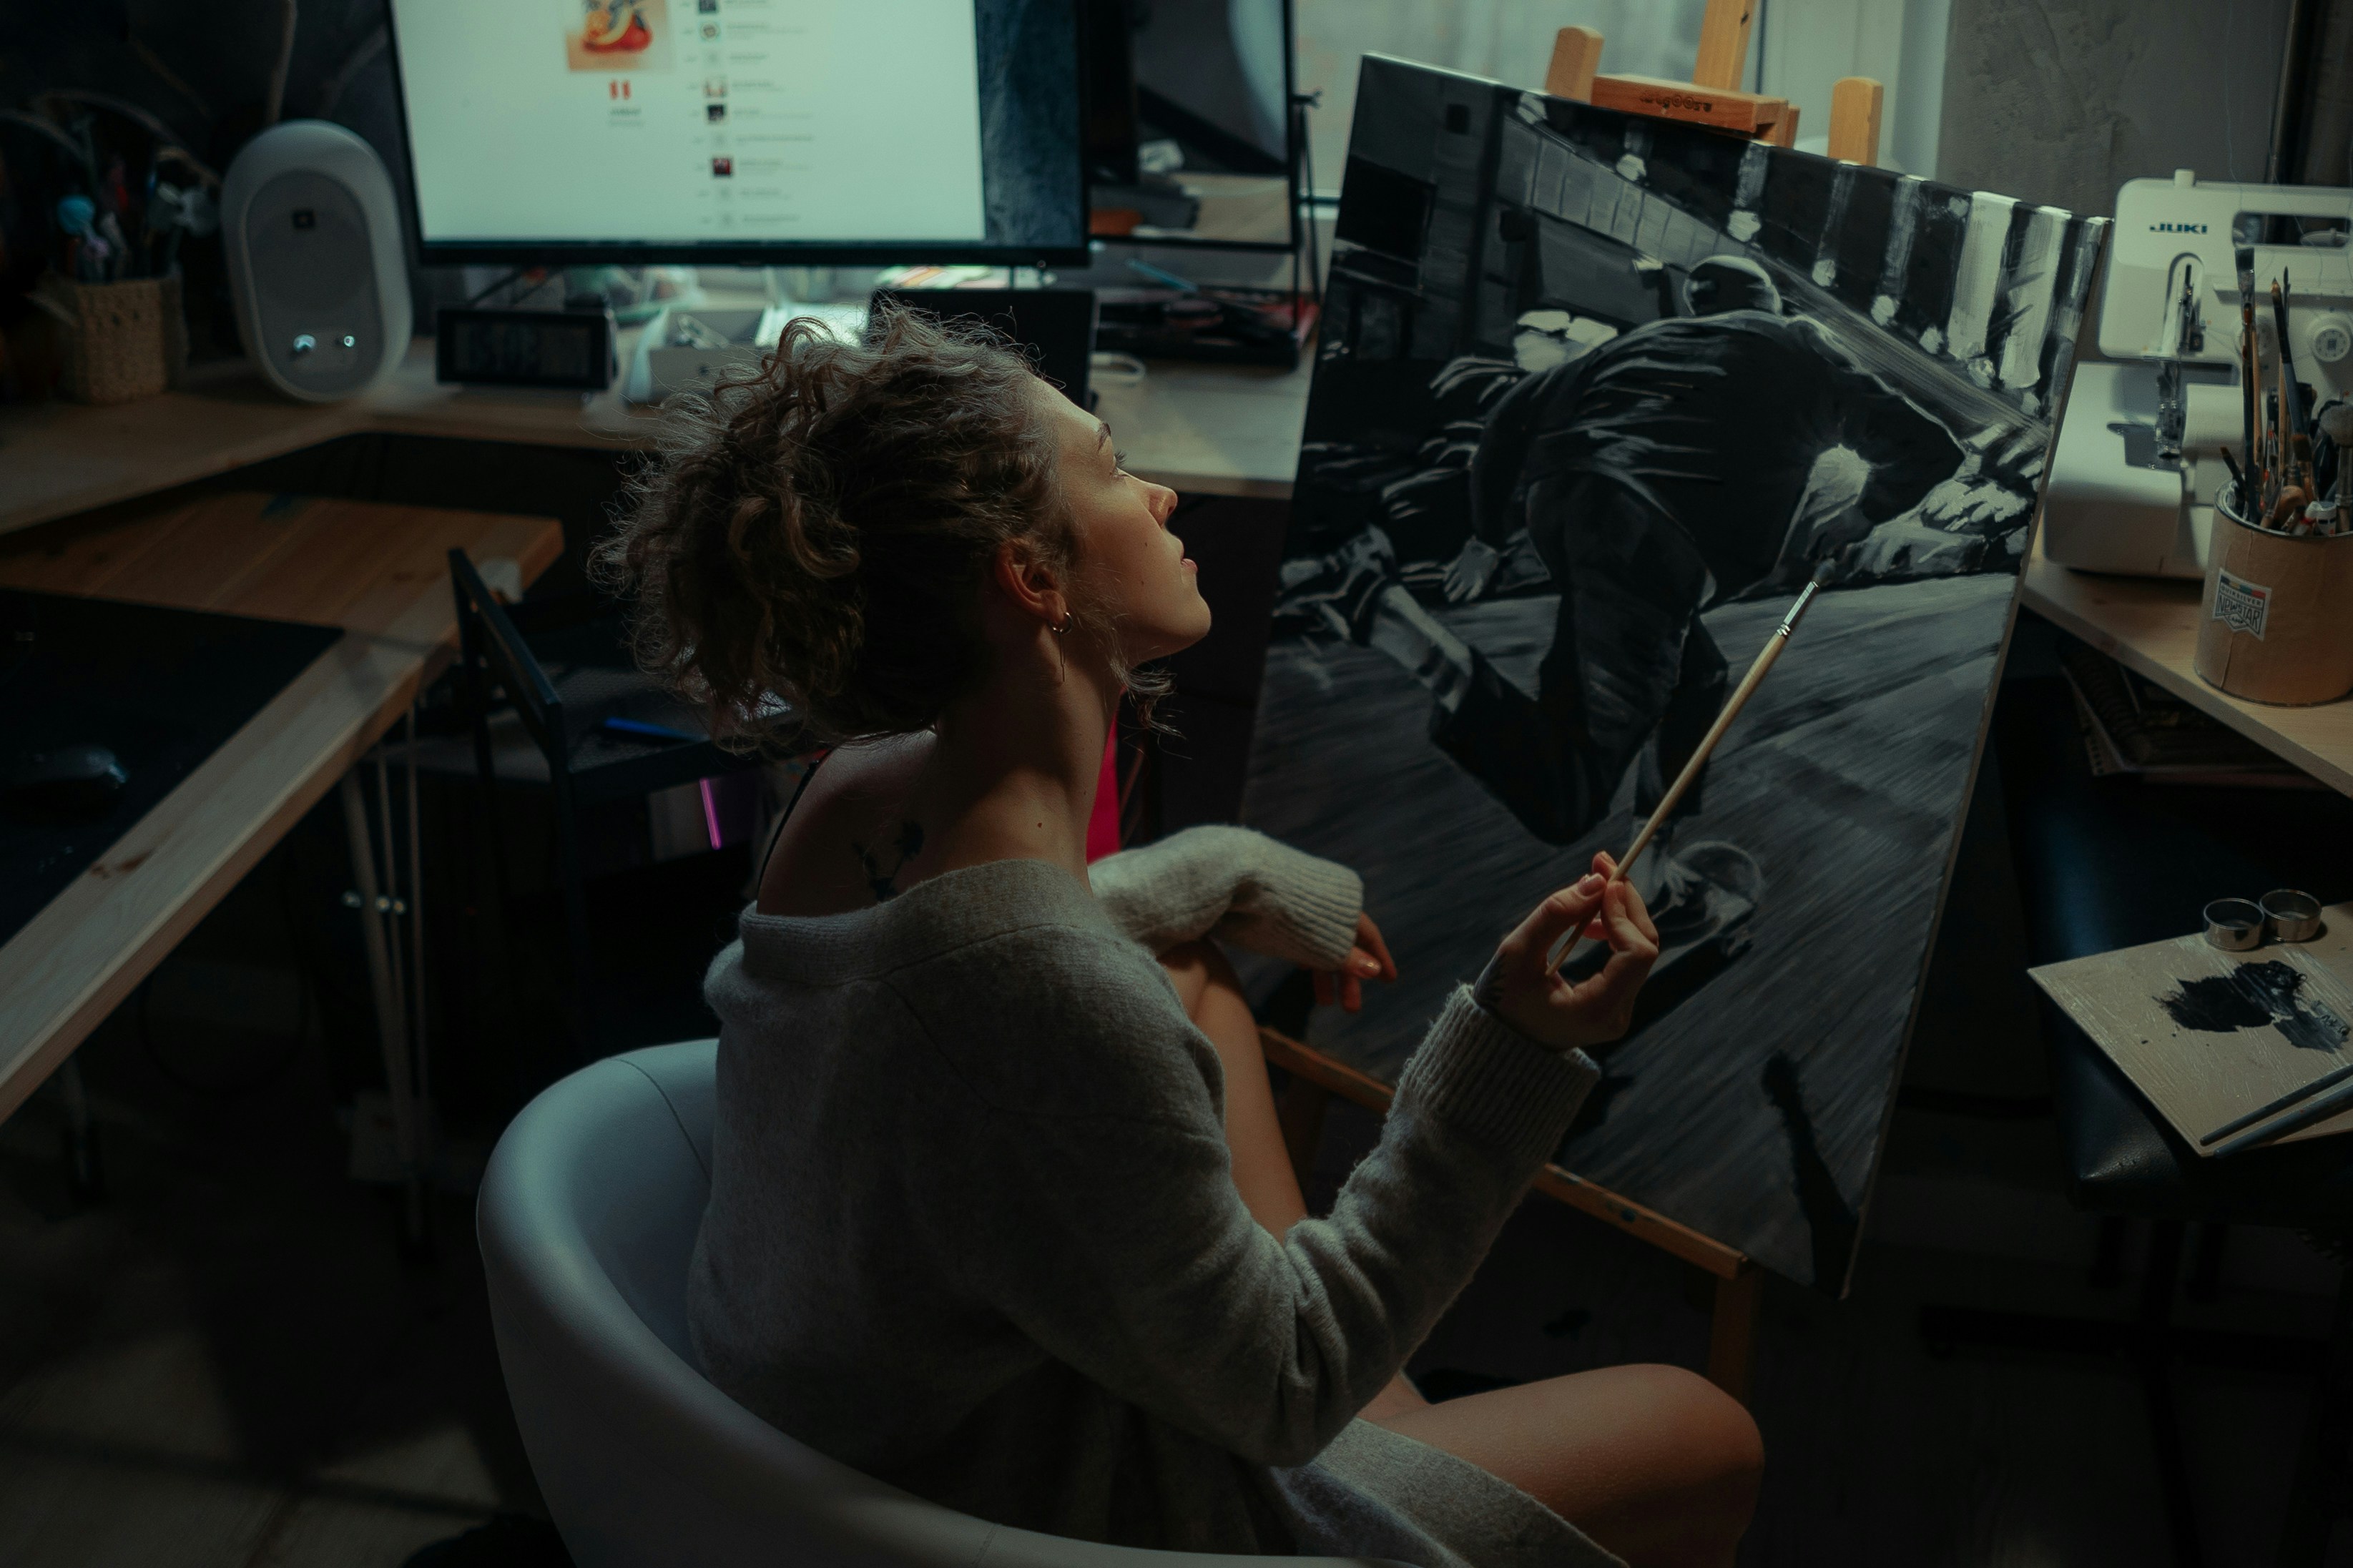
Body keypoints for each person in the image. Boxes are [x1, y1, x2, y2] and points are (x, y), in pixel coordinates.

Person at [591, 308, 1763, 1568]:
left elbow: (980, 958)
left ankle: (1396, 1415)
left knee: (1194, 977)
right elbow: (1287, 1383)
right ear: (1030, 579)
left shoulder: (855, 790)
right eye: (1109, 470)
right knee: (1705, 1432)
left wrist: (1226, 866)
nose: (1158, 494)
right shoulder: (1039, 994)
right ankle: (1383, 1442)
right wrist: (1510, 1048)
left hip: (869, 1411)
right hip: (1043, 1502)